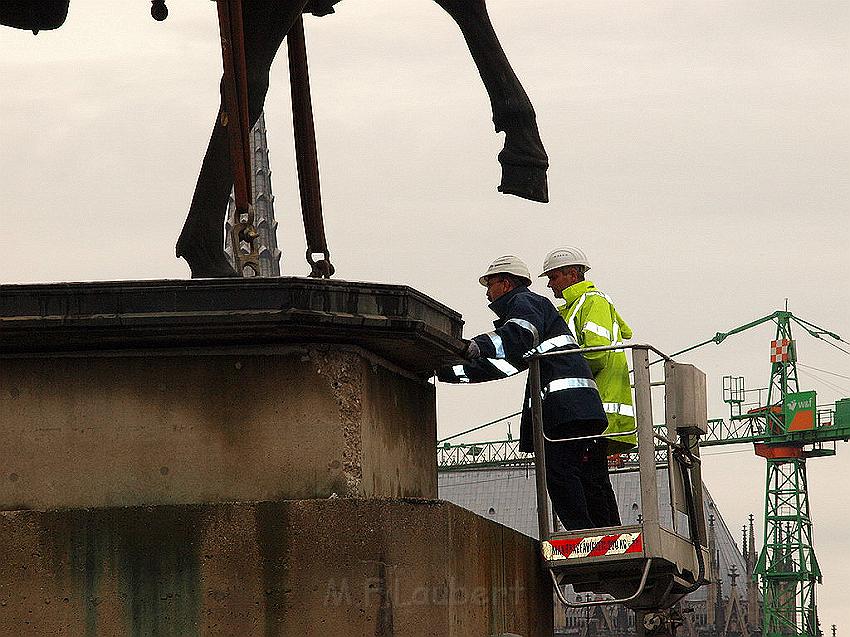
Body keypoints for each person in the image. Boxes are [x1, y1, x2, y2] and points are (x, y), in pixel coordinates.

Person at [437, 255, 610, 530]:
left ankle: (583, 536)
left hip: (564, 409)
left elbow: (518, 335)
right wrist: (447, 371)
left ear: (505, 283)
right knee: (589, 476)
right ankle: (607, 533)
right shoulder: (533, 310)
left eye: (490, 284)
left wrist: (475, 345)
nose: (487, 292)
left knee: (560, 474)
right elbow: (503, 365)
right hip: (580, 407)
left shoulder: (525, 303)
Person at [539, 246, 636, 526]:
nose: (549, 284)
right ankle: (607, 534)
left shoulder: (592, 302)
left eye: (554, 276)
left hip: (594, 405)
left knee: (587, 476)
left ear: (572, 274)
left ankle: (600, 535)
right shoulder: (572, 308)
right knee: (591, 475)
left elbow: (596, 352)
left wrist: (559, 371)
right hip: (589, 406)